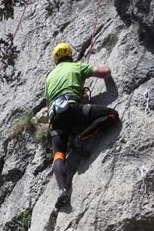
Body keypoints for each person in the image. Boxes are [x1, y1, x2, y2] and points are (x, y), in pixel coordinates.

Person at [45, 42, 120, 209]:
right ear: (70, 55)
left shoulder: (49, 78)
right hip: (74, 109)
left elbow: (49, 101)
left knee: (58, 155)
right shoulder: (75, 66)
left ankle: (63, 190)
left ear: (56, 60)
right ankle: (80, 138)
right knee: (112, 115)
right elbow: (105, 72)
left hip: (56, 119)